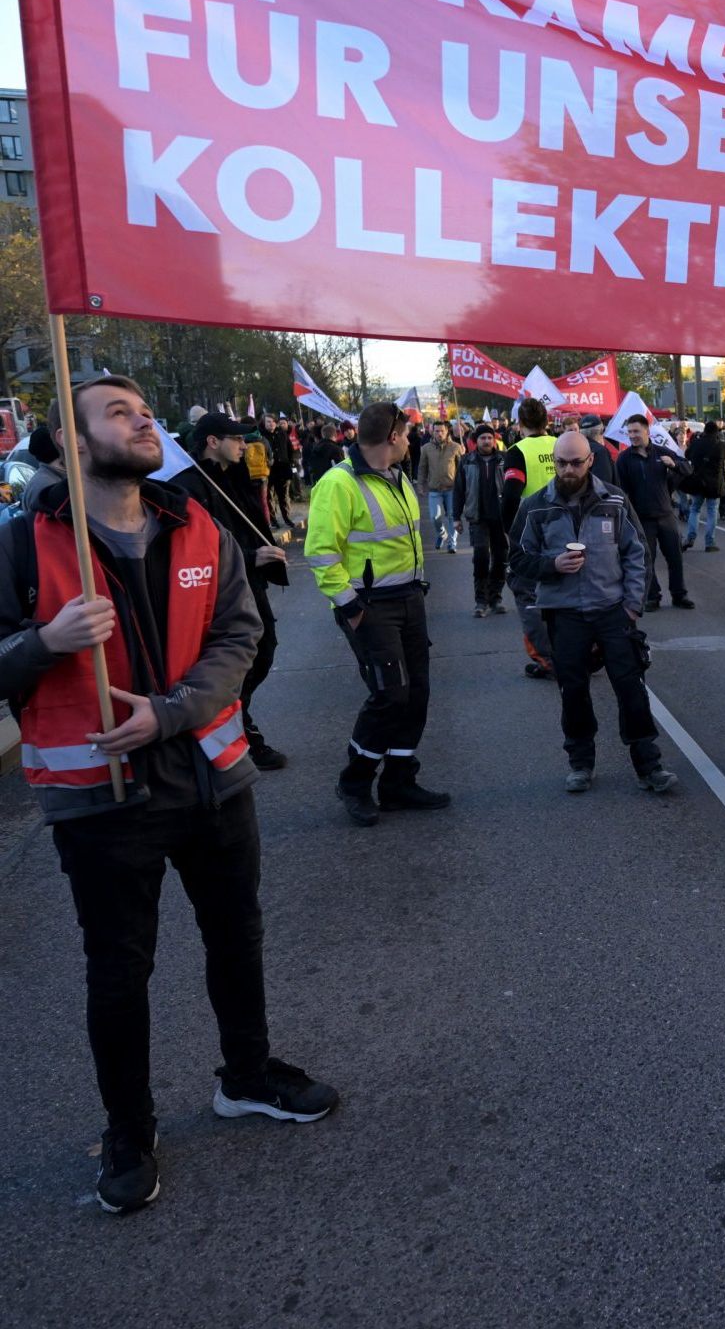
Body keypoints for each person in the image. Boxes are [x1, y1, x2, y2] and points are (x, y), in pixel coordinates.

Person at [0, 376, 336, 1215]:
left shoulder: (197, 523)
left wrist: (174, 713)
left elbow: (240, 632)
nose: (144, 418)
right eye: (119, 411)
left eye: (145, 408)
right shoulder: (20, 543)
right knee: (120, 971)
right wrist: (45, 640)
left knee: (237, 935)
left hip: (213, 779)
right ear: (72, 445)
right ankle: (129, 1129)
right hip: (100, 800)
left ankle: (246, 1074)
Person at [304, 400, 448, 827]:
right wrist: (351, 609)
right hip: (370, 607)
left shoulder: (397, 477)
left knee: (416, 692)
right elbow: (321, 553)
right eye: (405, 434)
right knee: (389, 695)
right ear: (391, 437)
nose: (409, 440)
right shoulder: (338, 483)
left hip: (409, 599)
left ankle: (399, 781)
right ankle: (355, 782)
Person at [508, 431, 675, 794]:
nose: (568, 469)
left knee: (631, 688)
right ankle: (580, 763)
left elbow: (637, 554)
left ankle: (649, 764)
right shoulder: (535, 506)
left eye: (576, 462)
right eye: (562, 462)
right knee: (573, 691)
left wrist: (632, 607)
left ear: (590, 461)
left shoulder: (614, 500)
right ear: (554, 462)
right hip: (564, 614)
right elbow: (518, 559)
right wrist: (552, 564)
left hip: (612, 610)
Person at [180, 411, 290, 772]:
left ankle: (237, 724)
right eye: (237, 439)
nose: (245, 445)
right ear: (213, 442)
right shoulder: (189, 486)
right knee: (239, 662)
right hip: (220, 590)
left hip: (248, 581)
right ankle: (237, 733)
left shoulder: (235, 476)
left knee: (262, 652)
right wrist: (250, 556)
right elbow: (197, 548)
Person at [502, 399, 562, 678]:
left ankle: (547, 659)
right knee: (571, 593)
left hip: (532, 535)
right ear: (546, 421)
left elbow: (512, 494)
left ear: (519, 424)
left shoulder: (517, 451)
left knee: (528, 596)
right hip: (568, 529)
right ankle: (582, 652)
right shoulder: (561, 444)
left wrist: (508, 531)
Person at [616, 415, 695, 610]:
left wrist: (674, 465)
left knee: (675, 557)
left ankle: (679, 595)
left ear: (647, 432)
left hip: (666, 514)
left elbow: (688, 469)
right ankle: (652, 596)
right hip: (642, 518)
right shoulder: (624, 459)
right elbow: (621, 489)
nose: (632, 436)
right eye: (630, 432)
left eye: (636, 431)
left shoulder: (662, 453)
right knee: (646, 560)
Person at [454, 423, 509, 618]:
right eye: (482, 438)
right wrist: (456, 517)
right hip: (477, 518)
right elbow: (459, 490)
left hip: (501, 518)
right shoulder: (466, 461)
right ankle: (480, 601)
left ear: (494, 440)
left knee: (501, 559)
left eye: (489, 437)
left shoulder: (504, 459)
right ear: (475, 441)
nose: (486, 441)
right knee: (481, 558)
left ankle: (496, 598)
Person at [417, 419, 464, 554]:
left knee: (452, 516)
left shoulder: (455, 447)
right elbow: (422, 468)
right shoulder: (426, 448)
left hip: (452, 489)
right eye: (436, 431)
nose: (439, 433)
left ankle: (452, 543)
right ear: (432, 432)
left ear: (447, 431)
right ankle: (442, 534)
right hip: (434, 489)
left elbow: (462, 469)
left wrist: (464, 455)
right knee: (435, 517)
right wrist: (420, 485)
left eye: (442, 431)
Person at [682, 420, 725, 552]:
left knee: (695, 509)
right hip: (715, 483)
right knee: (712, 512)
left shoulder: (696, 442)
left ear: (705, 430)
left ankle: (690, 538)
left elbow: (687, 454)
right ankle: (709, 542)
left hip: (698, 481)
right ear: (717, 432)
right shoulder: (721, 445)